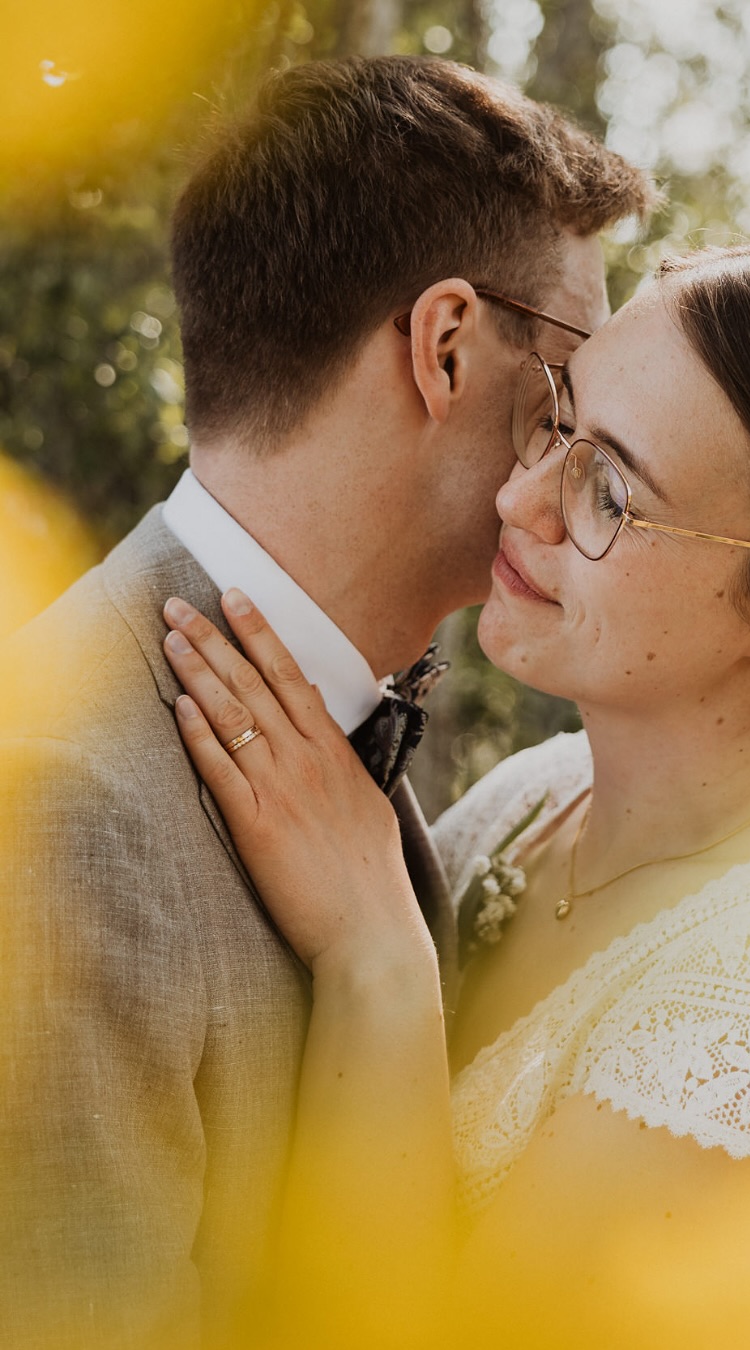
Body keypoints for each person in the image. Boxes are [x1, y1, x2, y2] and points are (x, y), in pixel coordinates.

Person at [162, 240, 750, 1348]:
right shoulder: (534, 801)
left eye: (612, 492)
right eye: (557, 419)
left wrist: (376, 962)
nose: (519, 496)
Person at [0, 55, 651, 1349]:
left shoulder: (337, 739)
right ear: (448, 346)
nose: (588, 440)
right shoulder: (63, 806)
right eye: (572, 376)